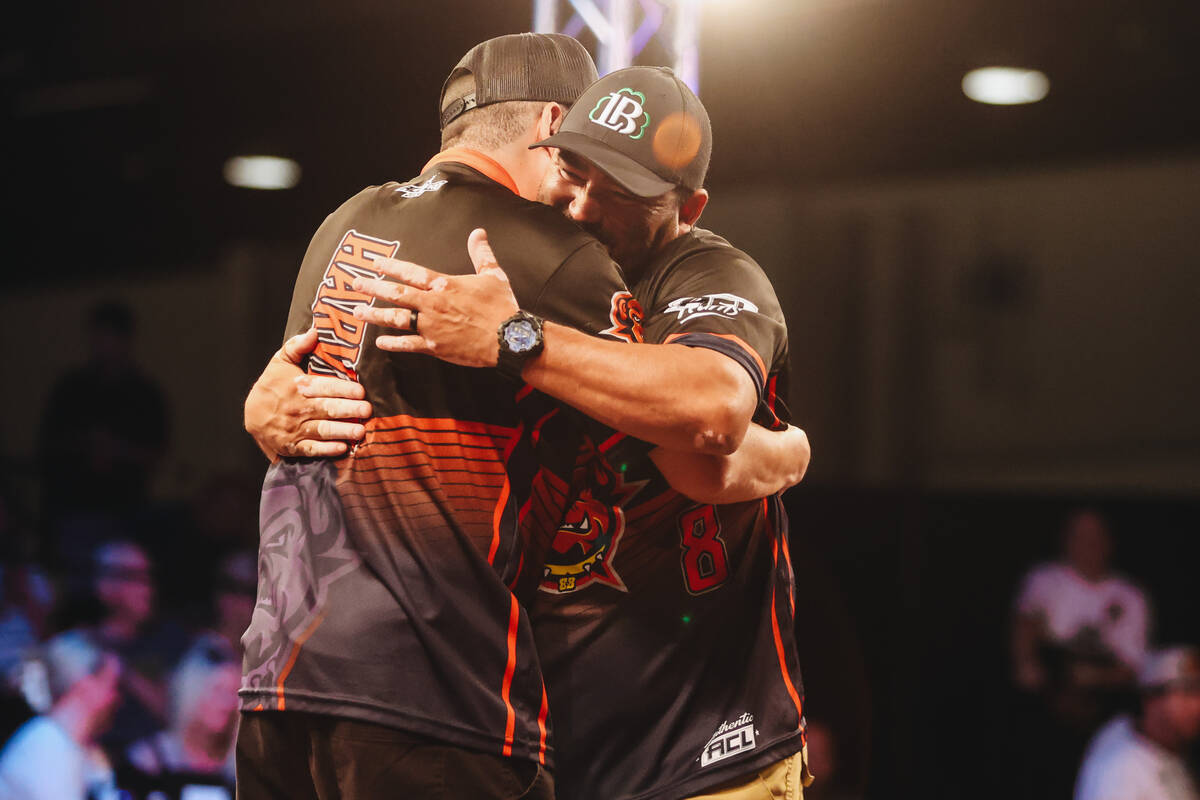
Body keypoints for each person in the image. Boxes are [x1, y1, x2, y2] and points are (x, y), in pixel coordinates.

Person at [237, 34, 803, 800]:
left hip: (691, 744)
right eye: (576, 169)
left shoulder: (703, 273)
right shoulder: (532, 252)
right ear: (550, 134)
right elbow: (304, 393)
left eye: (624, 188)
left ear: (687, 206)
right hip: (506, 715)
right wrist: (264, 408)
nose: (584, 204)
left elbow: (712, 428)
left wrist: (513, 338)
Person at [0, 630, 122, 800]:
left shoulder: (81, 748)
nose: (116, 697)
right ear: (85, 683)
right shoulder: (45, 749)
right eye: (112, 685)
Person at [118, 636, 240, 799]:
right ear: (192, 693)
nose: (228, 704)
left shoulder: (240, 771)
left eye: (234, 694)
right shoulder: (149, 761)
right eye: (218, 691)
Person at [1074, 646, 1200, 800]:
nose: (1196, 705)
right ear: (1151, 700)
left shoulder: (1170, 747)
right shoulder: (1118, 768)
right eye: (1188, 692)